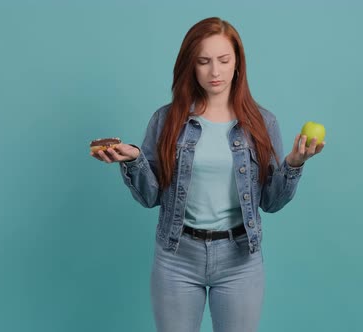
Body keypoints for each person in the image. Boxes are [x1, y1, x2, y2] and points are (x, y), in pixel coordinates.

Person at [91, 17, 325, 332]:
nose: (215, 72)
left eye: (223, 60)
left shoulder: (262, 123)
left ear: (237, 64)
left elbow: (270, 202)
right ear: (191, 66)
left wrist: (295, 163)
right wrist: (133, 161)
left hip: (240, 260)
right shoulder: (166, 120)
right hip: (176, 257)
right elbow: (150, 197)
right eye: (204, 61)